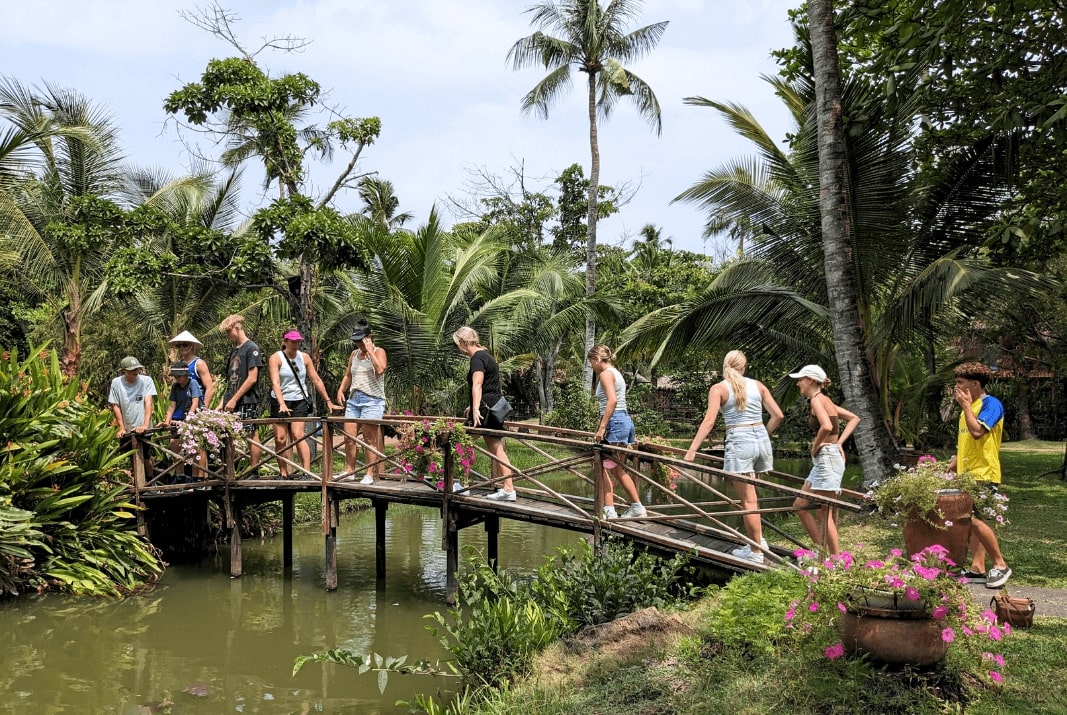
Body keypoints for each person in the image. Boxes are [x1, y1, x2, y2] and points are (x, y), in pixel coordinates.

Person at [685, 350, 784, 563]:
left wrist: (693, 449)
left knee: (748, 500)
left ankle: (756, 552)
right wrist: (762, 435)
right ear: (743, 366)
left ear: (725, 366)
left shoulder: (719, 388)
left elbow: (709, 421)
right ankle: (757, 542)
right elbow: (778, 415)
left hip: (740, 440)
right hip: (761, 441)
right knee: (751, 498)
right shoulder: (758, 385)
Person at [945, 362, 1012, 588]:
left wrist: (964, 407)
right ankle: (978, 568)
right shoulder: (969, 408)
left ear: (975, 385)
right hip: (967, 473)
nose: (956, 389)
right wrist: (955, 462)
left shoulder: (991, 404)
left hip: (984, 473)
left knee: (973, 520)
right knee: (973, 522)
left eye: (960, 384)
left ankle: (1001, 565)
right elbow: (967, 441)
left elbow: (977, 432)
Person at [789, 365, 860, 556]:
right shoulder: (824, 400)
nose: (798, 383)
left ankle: (836, 561)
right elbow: (853, 418)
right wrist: (839, 444)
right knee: (800, 506)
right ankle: (822, 552)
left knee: (824, 512)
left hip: (826, 459)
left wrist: (815, 446)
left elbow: (827, 426)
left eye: (801, 379)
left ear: (811, 380)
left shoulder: (816, 401)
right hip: (826, 458)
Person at [267, 329, 340, 478]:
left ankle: (306, 471)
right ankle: (283, 472)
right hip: (280, 400)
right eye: (292, 341)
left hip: (299, 399)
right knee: (280, 438)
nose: (295, 344)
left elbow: (316, 380)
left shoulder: (304, 358)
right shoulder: (276, 358)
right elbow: (275, 382)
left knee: (298, 434)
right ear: (285, 341)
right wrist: (281, 403)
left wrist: (328, 401)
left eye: (298, 341)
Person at [453, 326, 514, 499]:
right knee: (496, 448)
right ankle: (509, 489)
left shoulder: (477, 358)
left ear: (464, 342)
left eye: (458, 344)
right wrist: (472, 404)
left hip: (484, 410)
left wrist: (475, 409)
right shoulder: (486, 355)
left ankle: (463, 485)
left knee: (462, 443)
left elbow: (478, 384)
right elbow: (490, 385)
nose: (458, 348)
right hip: (493, 407)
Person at [588, 345, 645, 519]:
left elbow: (612, 401)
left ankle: (610, 508)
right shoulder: (616, 372)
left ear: (597, 359)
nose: (592, 367)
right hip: (623, 419)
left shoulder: (605, 374)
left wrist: (602, 427)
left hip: (616, 421)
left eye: (591, 362)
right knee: (616, 469)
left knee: (601, 465)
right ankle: (635, 507)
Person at [337, 319, 388, 484]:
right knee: (349, 437)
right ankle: (350, 471)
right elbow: (348, 375)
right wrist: (340, 390)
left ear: (369, 337)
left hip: (372, 400)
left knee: (368, 438)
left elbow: (380, 370)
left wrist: (370, 350)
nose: (358, 343)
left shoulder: (379, 351)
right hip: (354, 399)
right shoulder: (353, 354)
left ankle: (369, 474)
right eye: (356, 340)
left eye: (361, 340)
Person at [219, 314, 262, 469]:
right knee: (228, 434)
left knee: (251, 433)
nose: (228, 335)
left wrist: (235, 399)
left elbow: (252, 378)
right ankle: (230, 471)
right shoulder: (234, 351)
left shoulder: (252, 348)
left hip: (247, 400)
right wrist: (223, 402)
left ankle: (254, 469)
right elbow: (230, 381)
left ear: (237, 328)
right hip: (231, 400)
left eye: (229, 331)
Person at [169, 330, 213, 476]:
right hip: (181, 411)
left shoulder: (198, 364)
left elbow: (209, 388)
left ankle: (200, 478)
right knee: (176, 443)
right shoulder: (177, 366)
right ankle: (181, 476)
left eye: (185, 345)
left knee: (199, 446)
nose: (182, 348)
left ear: (192, 346)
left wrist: (203, 411)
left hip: (196, 410)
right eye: (179, 345)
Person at [109, 355, 158, 480]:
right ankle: (138, 483)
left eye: (137, 369)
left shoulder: (146, 381)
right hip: (127, 426)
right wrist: (121, 427)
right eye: (132, 370)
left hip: (143, 425)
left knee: (145, 456)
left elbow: (148, 403)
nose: (135, 372)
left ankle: (151, 481)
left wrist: (145, 425)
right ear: (124, 371)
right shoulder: (116, 383)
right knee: (132, 456)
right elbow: (115, 405)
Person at [162, 360, 202, 482]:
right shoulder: (175, 386)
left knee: (195, 446)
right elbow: (171, 406)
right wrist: (167, 421)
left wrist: (188, 419)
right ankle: (180, 474)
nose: (177, 378)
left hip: (192, 418)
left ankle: (197, 476)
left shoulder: (193, 383)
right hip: (178, 418)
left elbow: (195, 402)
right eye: (175, 376)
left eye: (179, 376)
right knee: (174, 443)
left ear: (185, 375)